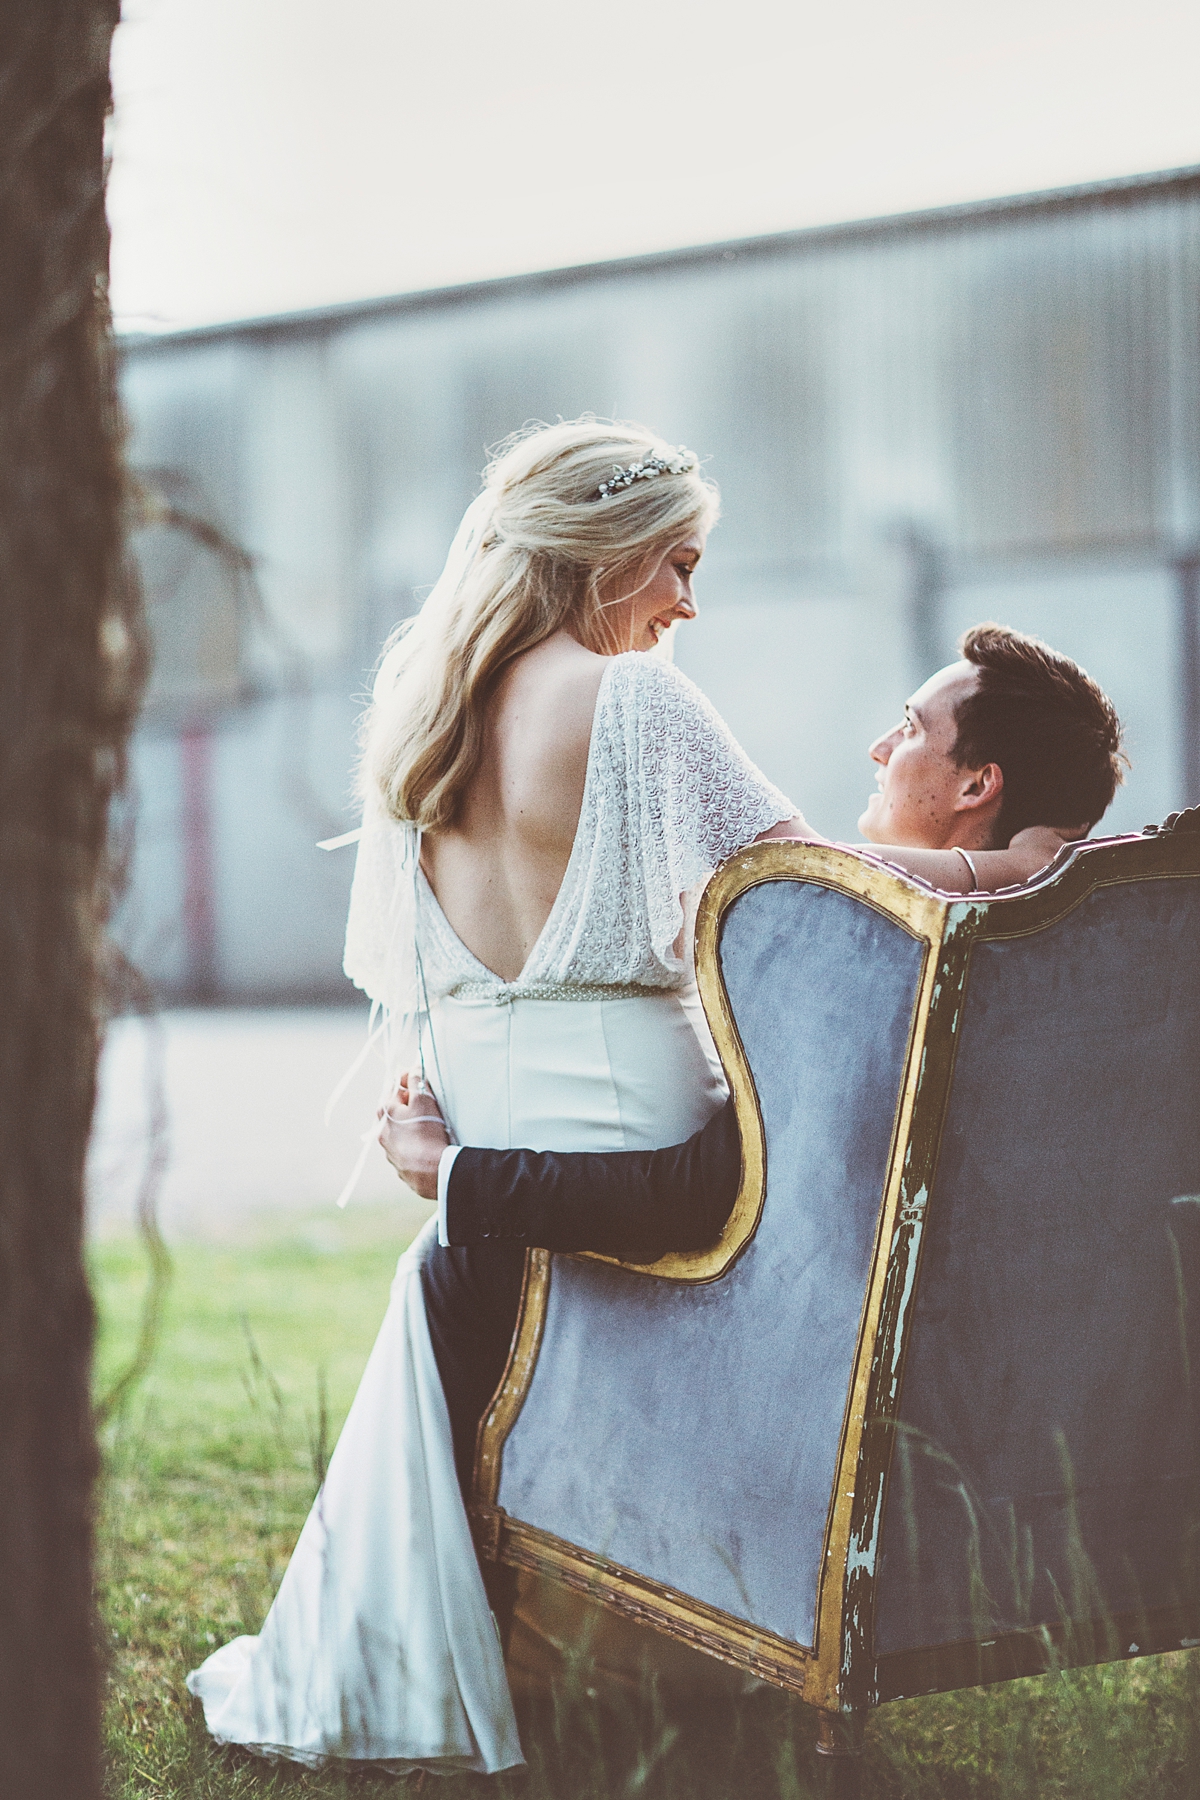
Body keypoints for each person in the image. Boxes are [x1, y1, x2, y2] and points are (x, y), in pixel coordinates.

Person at [187, 416, 820, 1774]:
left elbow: (445, 988)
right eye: (677, 565)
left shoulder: (425, 709)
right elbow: (817, 890)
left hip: (492, 1180)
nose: (686, 607)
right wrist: (1018, 868)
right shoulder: (634, 701)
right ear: (603, 559)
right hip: (649, 1177)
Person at [380, 622, 1127, 1505]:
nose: (882, 747)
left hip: (805, 1409)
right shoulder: (1110, 958)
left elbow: (703, 1195)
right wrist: (998, 867)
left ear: (976, 782)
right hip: (1029, 1405)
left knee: (450, 1267)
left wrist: (456, 1172)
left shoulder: (873, 965)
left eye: (911, 728)